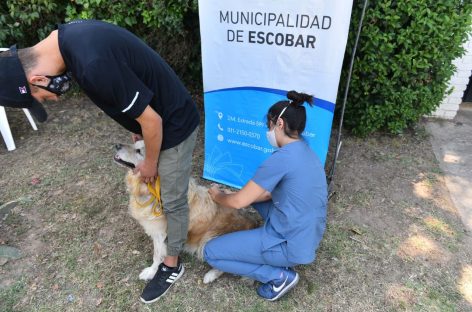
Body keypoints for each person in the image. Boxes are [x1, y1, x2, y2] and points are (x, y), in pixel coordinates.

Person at [0, 19, 199, 303]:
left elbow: (153, 119)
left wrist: (151, 162)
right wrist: (136, 126)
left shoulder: (92, 64)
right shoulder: (67, 39)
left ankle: (171, 265)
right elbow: (131, 85)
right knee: (162, 190)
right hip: (154, 118)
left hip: (173, 123)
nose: (49, 99)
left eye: (40, 97)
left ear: (38, 79)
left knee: (173, 199)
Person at [205, 91, 327, 301]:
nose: (268, 131)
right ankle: (273, 254)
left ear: (279, 123)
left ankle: (278, 276)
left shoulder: (281, 159)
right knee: (256, 198)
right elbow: (265, 193)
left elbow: (239, 202)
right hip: (308, 235)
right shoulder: (306, 151)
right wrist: (237, 195)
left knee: (211, 252)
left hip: (290, 245)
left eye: (268, 125)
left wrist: (218, 196)